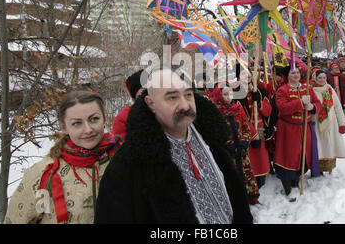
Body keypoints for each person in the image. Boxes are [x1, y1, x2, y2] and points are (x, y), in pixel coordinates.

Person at [94, 66, 253, 224]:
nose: (185, 105)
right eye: (172, 97)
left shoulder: (211, 136)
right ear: (151, 104)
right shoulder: (127, 166)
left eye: (188, 94)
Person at [4, 91, 121, 224]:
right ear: (64, 127)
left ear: (104, 118)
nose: (88, 129)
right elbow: (21, 219)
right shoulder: (46, 173)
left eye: (94, 119)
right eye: (77, 123)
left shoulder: (123, 160)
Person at [273, 66, 322, 198]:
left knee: (302, 157)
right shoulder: (282, 90)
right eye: (292, 73)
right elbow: (283, 108)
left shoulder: (308, 88)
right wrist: (300, 102)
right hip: (288, 130)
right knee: (288, 158)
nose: (296, 75)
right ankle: (287, 186)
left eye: (297, 72)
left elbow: (318, 103)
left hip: (305, 128)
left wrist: (312, 107)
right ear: (287, 76)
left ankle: (296, 181)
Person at [209, 85, 260, 205]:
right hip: (227, 154)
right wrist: (229, 146)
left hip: (241, 152)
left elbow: (246, 128)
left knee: (245, 175)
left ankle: (249, 199)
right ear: (219, 96)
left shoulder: (237, 109)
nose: (228, 97)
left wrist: (243, 144)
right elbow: (215, 134)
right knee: (231, 178)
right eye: (225, 94)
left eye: (230, 94)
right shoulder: (215, 113)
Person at [234, 67, 272, 189]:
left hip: (260, 129)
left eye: (249, 73)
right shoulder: (236, 92)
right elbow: (238, 114)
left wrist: (259, 103)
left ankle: (261, 183)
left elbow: (268, 111)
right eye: (244, 74)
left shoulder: (260, 90)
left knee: (261, 159)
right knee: (250, 161)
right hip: (246, 131)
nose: (248, 76)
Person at [312, 70, 345, 174]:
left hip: (331, 124)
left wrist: (342, 123)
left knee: (330, 144)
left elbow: (337, 107)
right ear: (315, 78)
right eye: (320, 78)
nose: (322, 80)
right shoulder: (311, 91)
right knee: (320, 146)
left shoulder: (330, 90)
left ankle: (330, 168)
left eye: (324, 78)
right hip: (317, 123)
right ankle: (318, 169)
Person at [111, 69, 147, 144]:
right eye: (143, 91)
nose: (148, 93)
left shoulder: (162, 110)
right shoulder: (123, 117)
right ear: (135, 95)